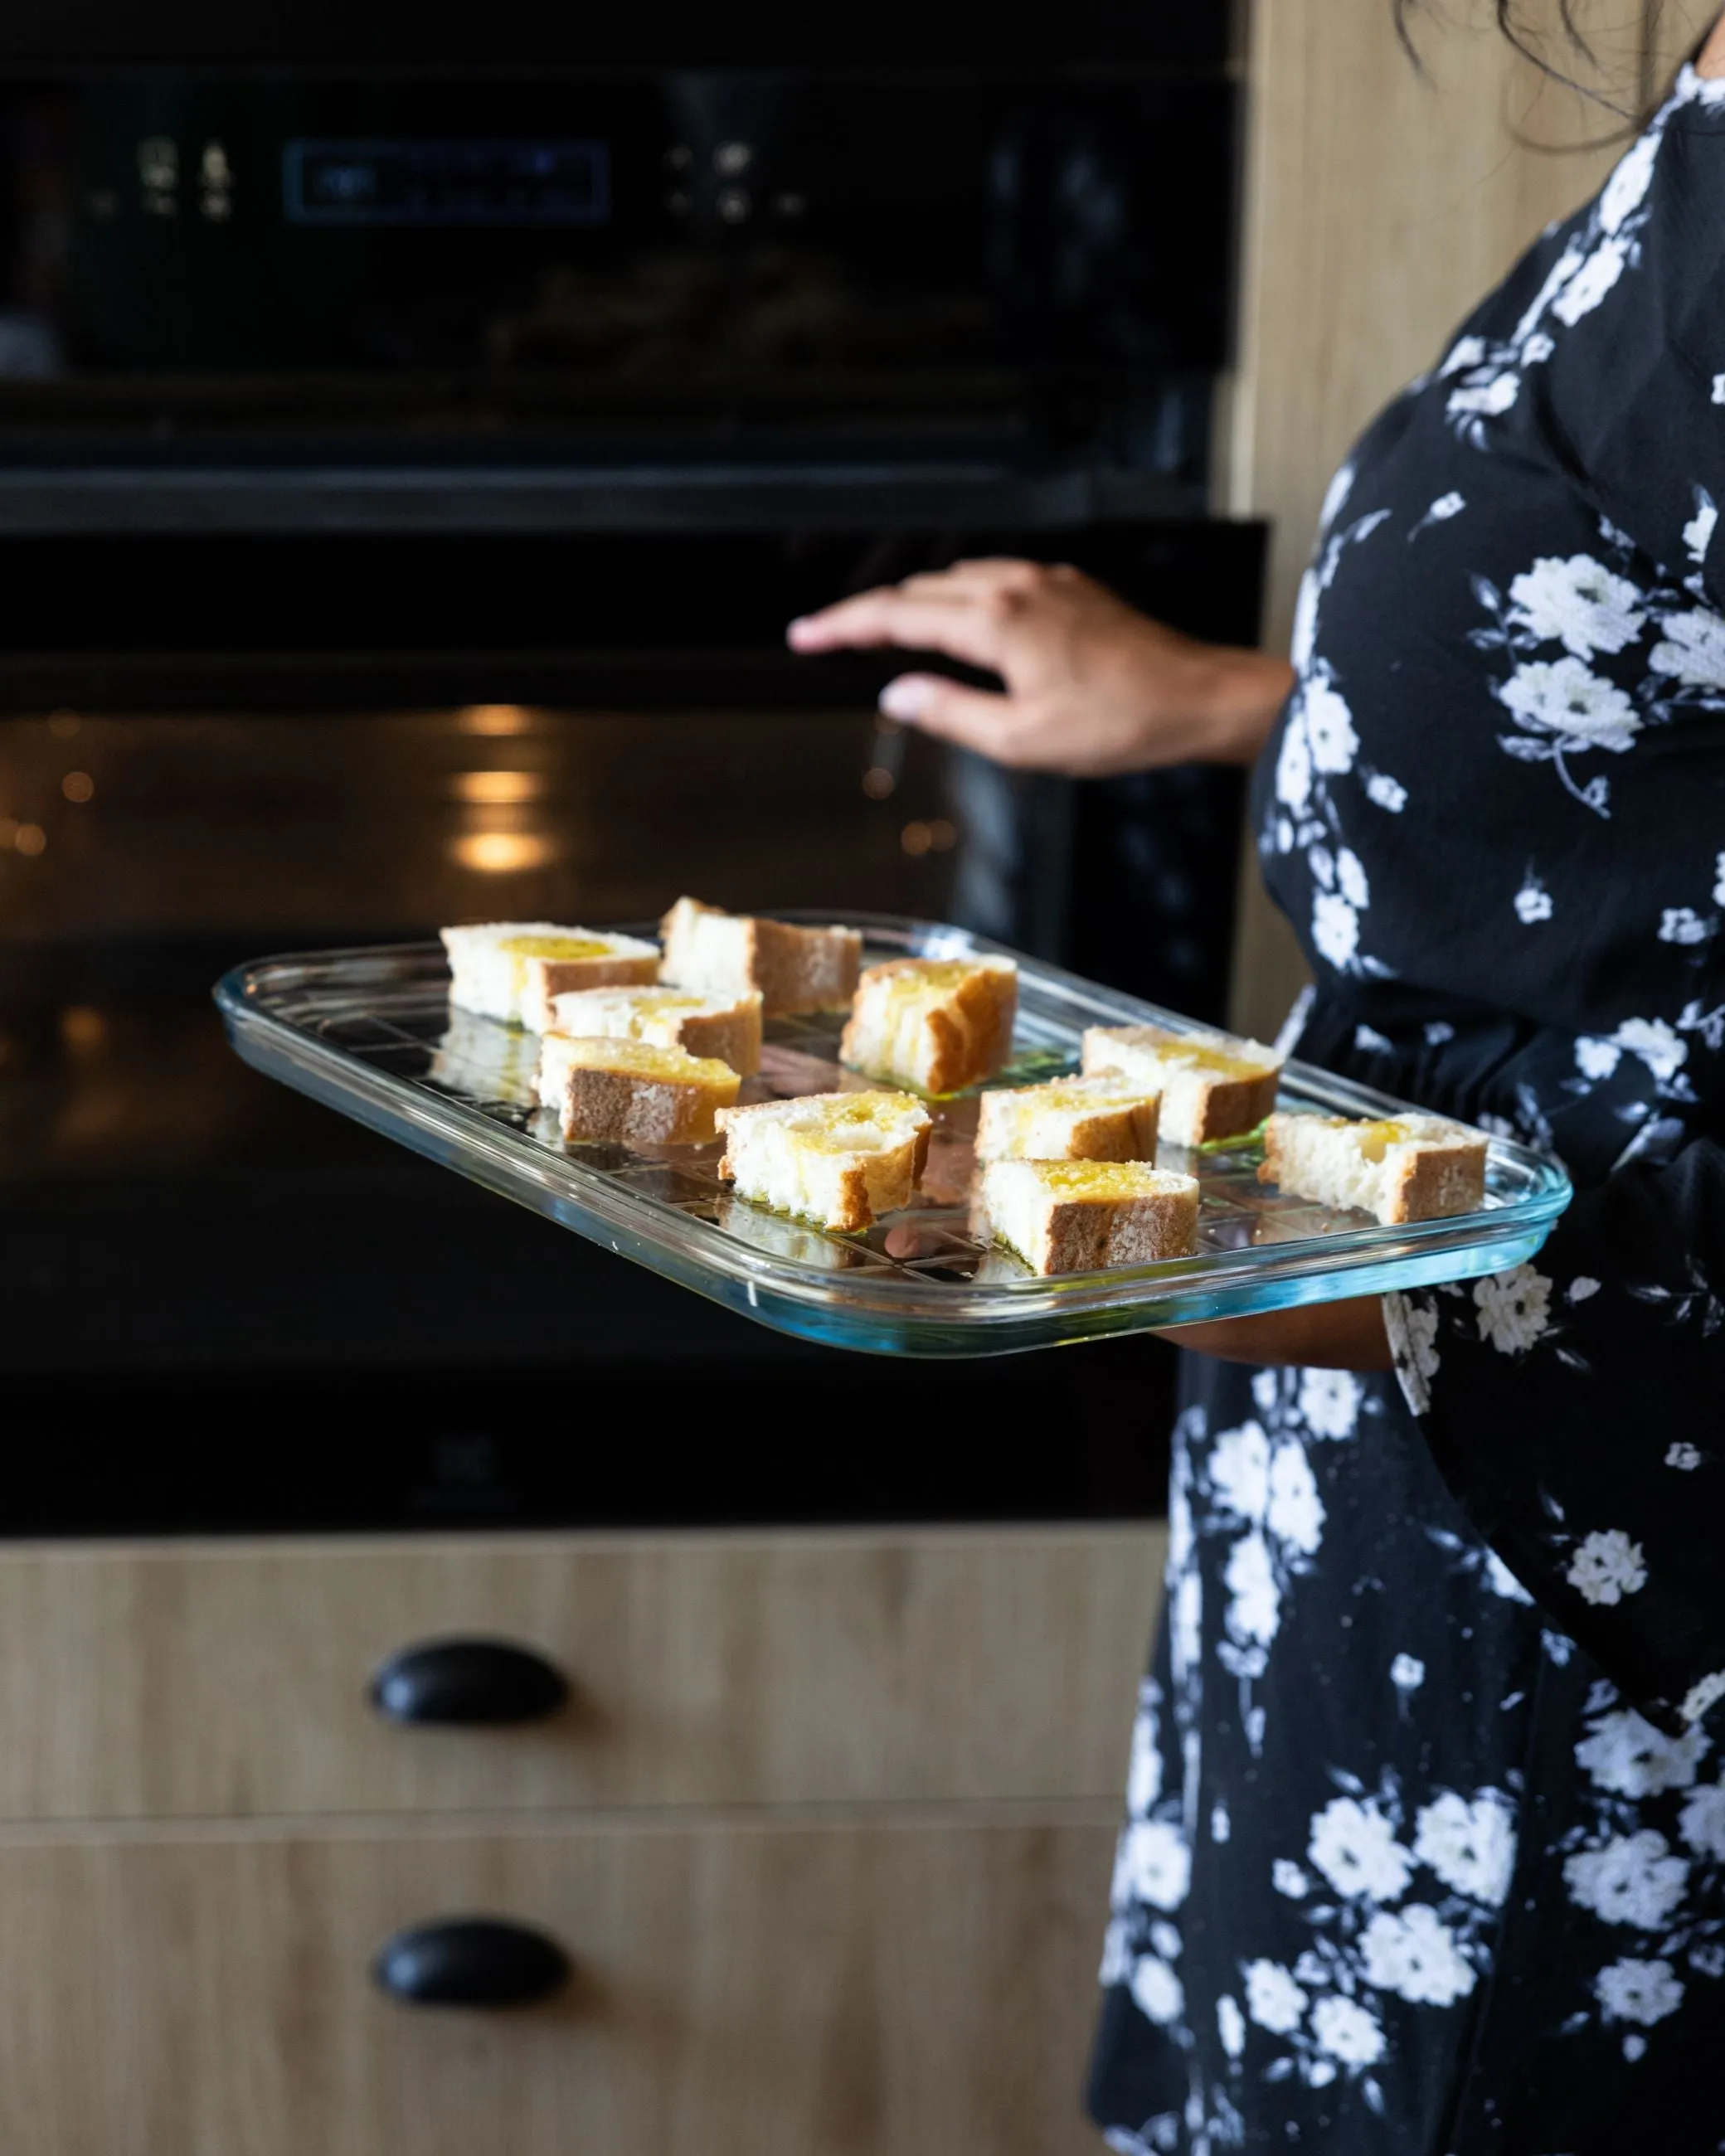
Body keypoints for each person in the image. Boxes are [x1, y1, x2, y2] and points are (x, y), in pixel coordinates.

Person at [788, 12, 1725, 2149]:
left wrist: (1412, 1278)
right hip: (1397, 1524)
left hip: (1577, 1634)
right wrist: (1250, 706)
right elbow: (1655, 725)